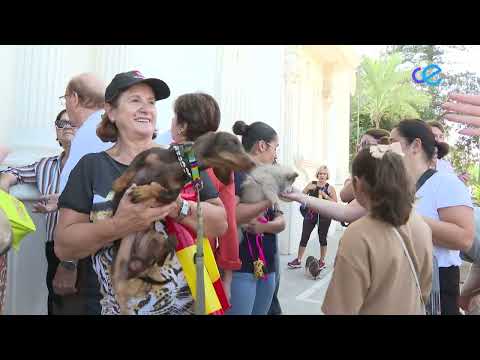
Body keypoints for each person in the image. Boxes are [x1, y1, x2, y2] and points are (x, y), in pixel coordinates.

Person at [54, 71, 228, 315]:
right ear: (111, 111)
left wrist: (177, 206)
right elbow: (64, 245)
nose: (146, 108)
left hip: (185, 306)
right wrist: (120, 225)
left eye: (151, 102)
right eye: (135, 100)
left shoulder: (184, 158)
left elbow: (219, 224)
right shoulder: (91, 167)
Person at [321, 143, 433, 314]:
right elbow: (424, 291)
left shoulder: (358, 234)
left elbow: (340, 308)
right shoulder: (421, 226)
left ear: (357, 183)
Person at [0, 109, 81, 315]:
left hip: (83, 250)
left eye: (73, 122)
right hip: (54, 248)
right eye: (62, 123)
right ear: (56, 131)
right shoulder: (46, 165)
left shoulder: (92, 164)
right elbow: (14, 173)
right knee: (55, 306)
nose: (68, 126)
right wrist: (5, 185)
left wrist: (70, 262)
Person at [390, 119, 474, 315]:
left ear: (415, 146)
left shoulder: (446, 183)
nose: (387, 148)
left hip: (436, 285)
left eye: (393, 141)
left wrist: (404, 215)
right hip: (399, 279)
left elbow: (464, 238)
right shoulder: (397, 187)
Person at [169, 92, 241, 302]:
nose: (171, 122)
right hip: (204, 261)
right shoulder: (221, 163)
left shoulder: (172, 159)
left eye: (175, 117)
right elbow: (229, 223)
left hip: (174, 262)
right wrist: (226, 278)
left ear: (182, 127)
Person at [226, 120, 285, 315]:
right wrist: (268, 200)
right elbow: (231, 215)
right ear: (262, 146)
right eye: (275, 147)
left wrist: (264, 227)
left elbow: (280, 219)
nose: (276, 154)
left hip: (266, 263)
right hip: (241, 265)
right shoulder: (235, 172)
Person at [58, 73, 107, 194]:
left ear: (74, 98)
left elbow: (75, 192)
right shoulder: (110, 127)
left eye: (65, 98)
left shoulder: (86, 135)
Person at [287, 165, 337, 270]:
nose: (322, 175)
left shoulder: (330, 188)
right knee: (304, 236)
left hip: (324, 216)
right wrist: (307, 189)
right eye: (320, 173)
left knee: (322, 238)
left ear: (327, 175)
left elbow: (335, 203)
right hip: (310, 215)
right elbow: (301, 195)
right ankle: (298, 260)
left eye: (324, 174)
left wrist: (325, 195)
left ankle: (322, 261)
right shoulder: (311, 184)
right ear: (317, 174)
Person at [340, 128, 390, 203]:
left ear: (382, 146)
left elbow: (344, 195)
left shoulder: (377, 174)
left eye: (365, 144)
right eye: (360, 145)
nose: (360, 149)